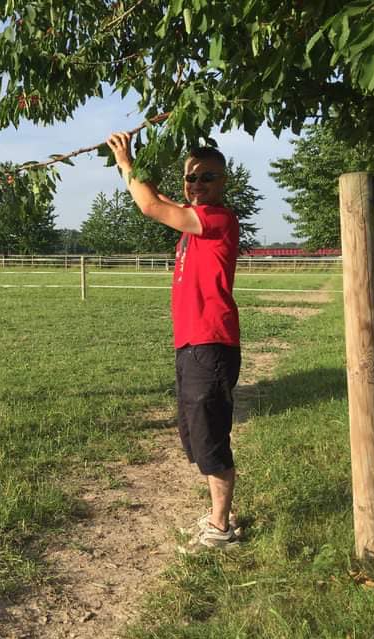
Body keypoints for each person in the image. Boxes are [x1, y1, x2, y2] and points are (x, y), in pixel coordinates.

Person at [107, 131, 241, 550]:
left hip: (211, 341)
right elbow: (158, 199)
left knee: (210, 434)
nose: (197, 186)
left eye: (207, 178)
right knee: (195, 432)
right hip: (189, 343)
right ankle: (220, 513)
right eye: (191, 179)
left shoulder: (218, 219)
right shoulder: (190, 217)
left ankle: (221, 528)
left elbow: (149, 206)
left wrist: (128, 164)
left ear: (223, 182)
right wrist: (132, 167)